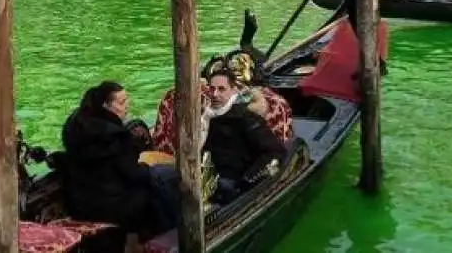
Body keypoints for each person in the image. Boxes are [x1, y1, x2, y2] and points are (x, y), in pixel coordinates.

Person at [61, 81, 177, 239]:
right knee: (162, 178)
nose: (127, 106)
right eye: (122, 102)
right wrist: (147, 166)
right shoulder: (115, 137)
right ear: (106, 106)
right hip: (108, 206)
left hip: (79, 203)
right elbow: (134, 175)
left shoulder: (75, 129)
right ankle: (170, 234)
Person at [202, 70, 286, 205]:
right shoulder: (205, 117)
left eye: (221, 89)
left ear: (233, 91)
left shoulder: (246, 118)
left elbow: (275, 152)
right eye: (212, 89)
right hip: (206, 175)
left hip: (235, 181)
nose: (215, 94)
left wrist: (248, 179)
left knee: (223, 187)